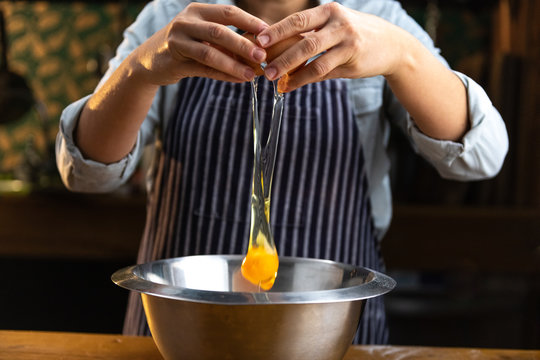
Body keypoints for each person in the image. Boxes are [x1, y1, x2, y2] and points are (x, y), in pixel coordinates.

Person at [55, 0, 508, 345]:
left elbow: (482, 156)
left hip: (330, 335)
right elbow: (88, 173)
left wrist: (403, 57)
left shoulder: (375, 15)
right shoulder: (171, 16)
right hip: (184, 333)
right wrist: (140, 69)